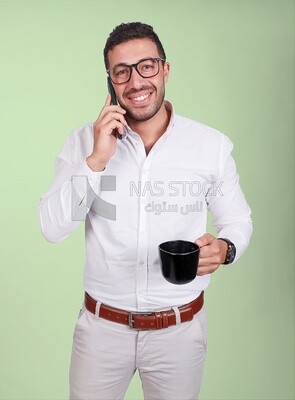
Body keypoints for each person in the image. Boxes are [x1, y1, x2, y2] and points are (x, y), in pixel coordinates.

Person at [38, 22, 253, 400]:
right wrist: (96, 160)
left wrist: (226, 248)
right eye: (122, 71)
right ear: (111, 82)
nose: (136, 82)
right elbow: (51, 228)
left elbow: (236, 221)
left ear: (165, 70)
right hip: (101, 333)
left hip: (180, 332)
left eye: (147, 66)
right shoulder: (83, 143)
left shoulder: (210, 146)